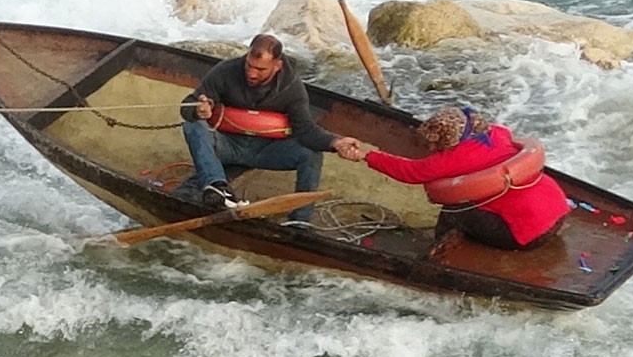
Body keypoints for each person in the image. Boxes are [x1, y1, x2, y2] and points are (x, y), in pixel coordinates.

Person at [177, 33, 356, 224]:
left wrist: (335, 142)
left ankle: (299, 222)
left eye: (260, 69)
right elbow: (188, 104)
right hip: (227, 145)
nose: (252, 73)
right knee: (193, 125)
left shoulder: (292, 88)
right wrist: (198, 109)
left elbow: (306, 131)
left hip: (266, 151)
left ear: (277, 65)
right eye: (249, 66)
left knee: (311, 154)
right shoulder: (226, 71)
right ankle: (218, 188)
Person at [339, 106, 569, 250]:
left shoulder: (451, 160)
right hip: (558, 215)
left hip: (527, 234)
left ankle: (437, 252)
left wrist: (366, 155)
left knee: (453, 209)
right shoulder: (498, 134)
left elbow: (410, 172)